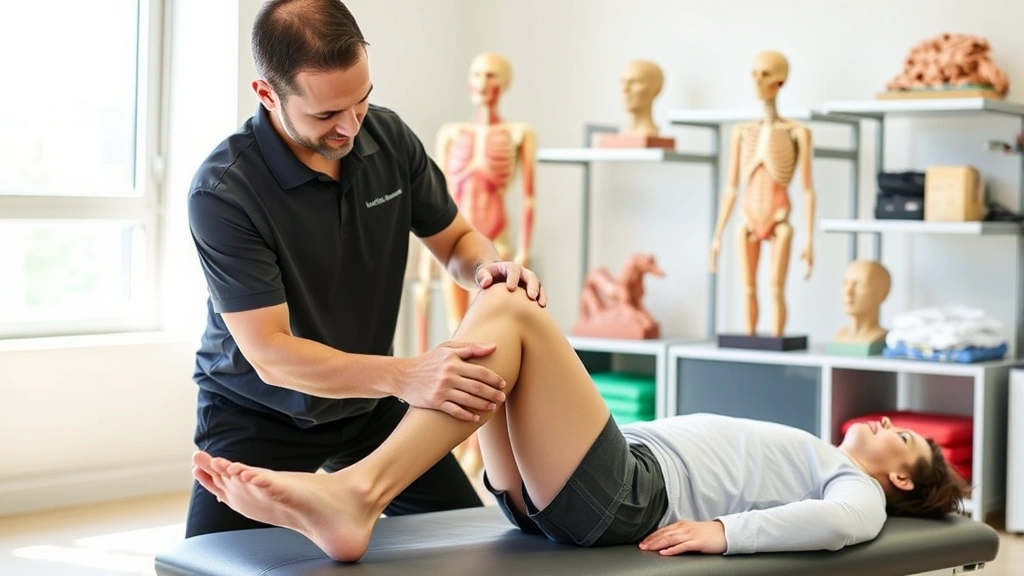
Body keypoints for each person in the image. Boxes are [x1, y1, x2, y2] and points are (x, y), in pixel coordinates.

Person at [191, 285, 971, 563]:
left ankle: (357, 495)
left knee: (509, 313)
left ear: (901, 477)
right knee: (494, 327)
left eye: (904, 437)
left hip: (626, 496)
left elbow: (841, 524)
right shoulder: (816, 449)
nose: (884, 421)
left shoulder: (852, 486)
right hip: (577, 492)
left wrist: (724, 535)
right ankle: (357, 494)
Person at [184, 0, 548, 538]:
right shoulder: (223, 192)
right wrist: (409, 375)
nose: (350, 126)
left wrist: (490, 270)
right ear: (267, 93)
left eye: (361, 101)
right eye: (326, 114)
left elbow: (457, 241)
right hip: (258, 413)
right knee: (206, 567)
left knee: (468, 543)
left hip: (369, 404)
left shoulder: (388, 138)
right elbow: (270, 355)